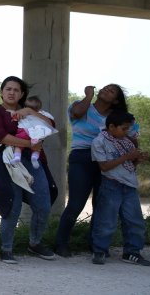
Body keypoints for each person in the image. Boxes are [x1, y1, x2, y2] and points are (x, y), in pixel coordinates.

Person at [0, 76, 58, 264]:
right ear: (1, 92)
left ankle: (35, 243)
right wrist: (30, 144)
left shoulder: (30, 112)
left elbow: (50, 127)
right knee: (12, 205)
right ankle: (6, 248)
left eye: (16, 90)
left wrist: (30, 111)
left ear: (22, 94)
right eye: (8, 89)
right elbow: (1, 136)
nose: (11, 92)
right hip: (6, 161)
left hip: (33, 162)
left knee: (43, 203)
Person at [54, 84, 132, 257]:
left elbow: (131, 134)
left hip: (107, 160)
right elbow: (77, 114)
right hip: (82, 157)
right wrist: (89, 95)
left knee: (101, 205)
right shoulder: (79, 105)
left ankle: (95, 245)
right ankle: (61, 243)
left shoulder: (115, 118)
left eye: (111, 91)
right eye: (105, 88)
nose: (105, 90)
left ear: (116, 100)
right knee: (76, 203)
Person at [90, 110, 150, 266]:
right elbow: (104, 166)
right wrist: (126, 157)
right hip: (111, 184)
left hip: (129, 185)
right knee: (106, 220)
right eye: (124, 128)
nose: (126, 132)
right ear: (111, 126)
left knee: (135, 220)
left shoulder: (128, 142)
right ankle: (100, 251)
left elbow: (130, 165)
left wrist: (137, 159)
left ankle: (132, 252)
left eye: (128, 129)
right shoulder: (99, 142)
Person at [9, 96, 56, 169]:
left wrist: (12, 113)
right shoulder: (42, 113)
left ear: (25, 106)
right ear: (39, 108)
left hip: (24, 131)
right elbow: (52, 122)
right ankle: (34, 158)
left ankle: (17, 157)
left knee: (18, 146)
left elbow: (14, 117)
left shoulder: (23, 112)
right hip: (36, 134)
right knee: (37, 148)